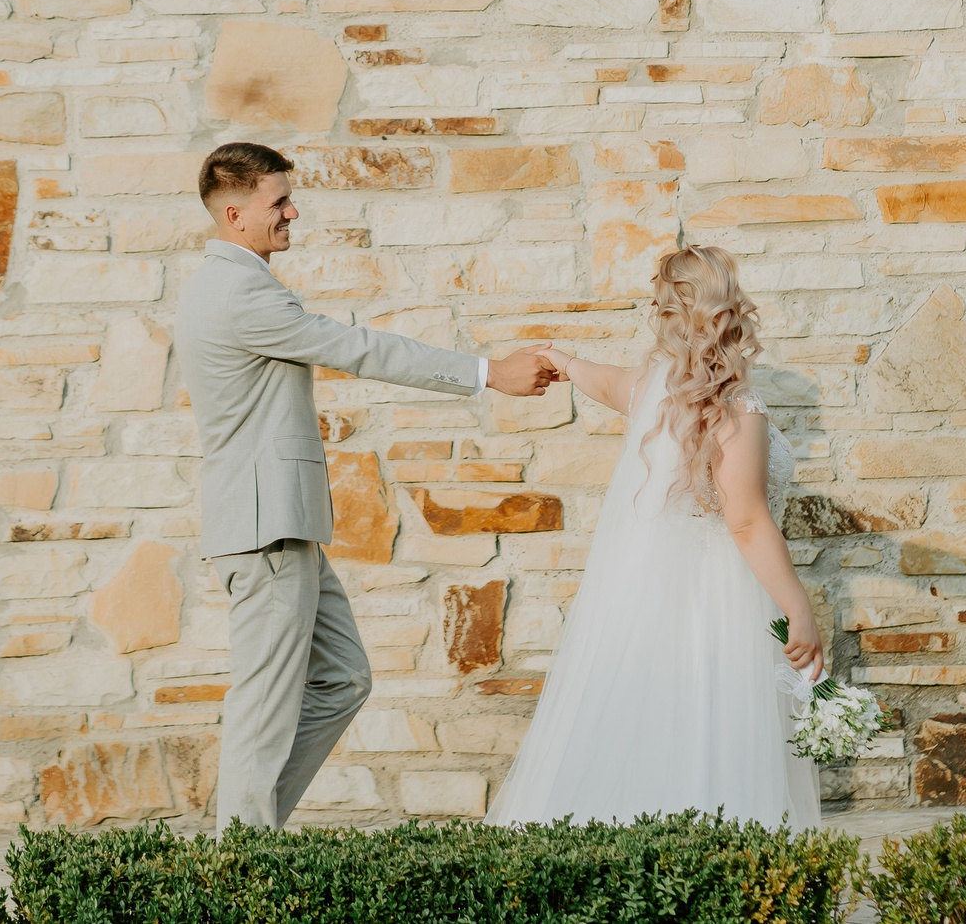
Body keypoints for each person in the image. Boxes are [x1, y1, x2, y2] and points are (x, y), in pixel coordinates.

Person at [179, 141, 558, 831]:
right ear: (235, 214)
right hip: (266, 531)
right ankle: (236, 865)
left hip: (283, 527)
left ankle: (248, 832)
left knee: (343, 679)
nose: (293, 211)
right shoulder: (237, 292)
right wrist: (486, 372)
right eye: (279, 202)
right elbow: (358, 346)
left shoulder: (232, 282)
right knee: (264, 708)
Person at [486, 244, 824, 828]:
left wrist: (561, 360)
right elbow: (744, 520)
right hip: (716, 592)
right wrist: (799, 607)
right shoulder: (737, 405)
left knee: (645, 719)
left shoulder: (649, 389)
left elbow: (602, 380)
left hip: (642, 591)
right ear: (727, 310)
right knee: (709, 723)